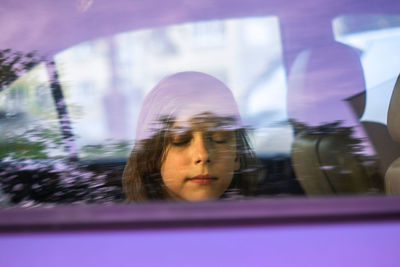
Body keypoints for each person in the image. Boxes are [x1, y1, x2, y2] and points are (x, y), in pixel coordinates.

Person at [122, 71, 259, 201]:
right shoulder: (117, 224)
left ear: (237, 156)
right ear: (152, 158)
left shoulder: (265, 220)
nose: (203, 155)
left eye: (219, 138)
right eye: (180, 140)